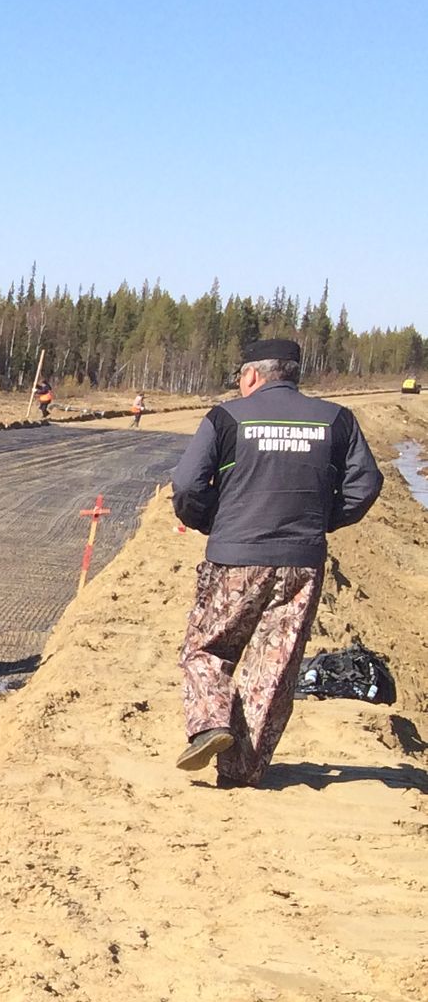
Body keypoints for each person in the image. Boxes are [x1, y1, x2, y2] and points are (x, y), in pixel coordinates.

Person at [169, 337, 381, 787]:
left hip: (234, 559)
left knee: (207, 648)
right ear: (293, 374)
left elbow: (187, 485)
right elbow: (366, 485)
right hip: (302, 562)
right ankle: (242, 771)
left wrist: (211, 521)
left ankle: (210, 724)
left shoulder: (225, 417)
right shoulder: (337, 420)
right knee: (275, 665)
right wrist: (322, 519)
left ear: (251, 375)